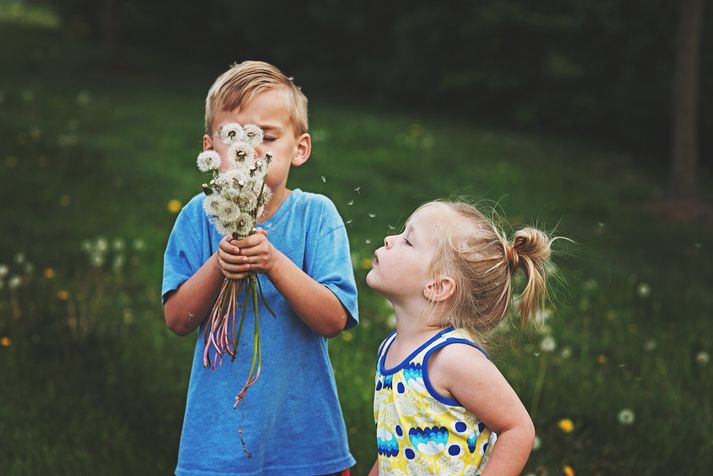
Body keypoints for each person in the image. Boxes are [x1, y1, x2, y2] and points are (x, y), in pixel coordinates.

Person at [162, 60, 358, 476]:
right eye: (233, 137)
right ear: (209, 150)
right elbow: (178, 319)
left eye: (266, 137)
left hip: (305, 439)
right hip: (218, 441)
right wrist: (219, 264)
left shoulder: (316, 216)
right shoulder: (198, 216)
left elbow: (333, 318)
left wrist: (272, 262)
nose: (250, 151)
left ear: (300, 148)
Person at [367, 200, 555, 475]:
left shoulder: (452, 358)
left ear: (438, 287)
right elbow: (393, 443)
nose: (389, 239)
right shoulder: (390, 347)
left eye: (408, 240)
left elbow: (518, 428)